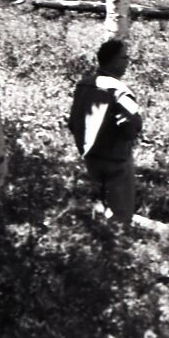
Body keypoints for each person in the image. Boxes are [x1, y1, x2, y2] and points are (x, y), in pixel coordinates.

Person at [67, 34, 145, 226]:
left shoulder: (84, 84)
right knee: (120, 216)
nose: (127, 62)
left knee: (96, 211)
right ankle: (118, 243)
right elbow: (132, 122)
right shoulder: (118, 89)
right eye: (124, 57)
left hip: (90, 157)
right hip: (116, 160)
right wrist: (128, 138)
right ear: (114, 60)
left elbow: (73, 120)